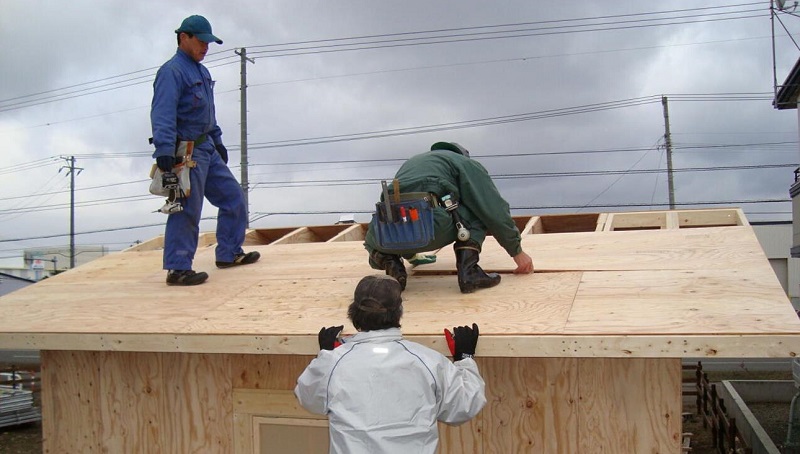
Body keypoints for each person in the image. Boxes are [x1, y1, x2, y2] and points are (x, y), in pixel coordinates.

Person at [294, 274, 486, 454]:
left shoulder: (334, 363)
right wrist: (465, 358)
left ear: (353, 313)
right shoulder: (427, 361)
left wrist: (325, 354)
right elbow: (463, 407)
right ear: (398, 312)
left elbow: (310, 399)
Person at [150, 15, 259, 286]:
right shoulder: (172, 71)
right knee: (187, 208)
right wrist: (164, 149)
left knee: (234, 197)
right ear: (183, 37)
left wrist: (218, 140)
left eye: (208, 43)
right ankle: (177, 268)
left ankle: (228, 253)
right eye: (201, 41)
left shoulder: (201, 71)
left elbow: (208, 114)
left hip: (206, 147)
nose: (205, 47)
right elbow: (162, 113)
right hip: (186, 151)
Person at [364, 141, 534, 293]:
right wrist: (516, 251)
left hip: (388, 235)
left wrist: (410, 254)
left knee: (374, 239)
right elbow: (492, 207)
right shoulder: (465, 163)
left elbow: (397, 210)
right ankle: (469, 273)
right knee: (478, 212)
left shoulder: (413, 162)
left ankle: (391, 262)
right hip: (434, 225)